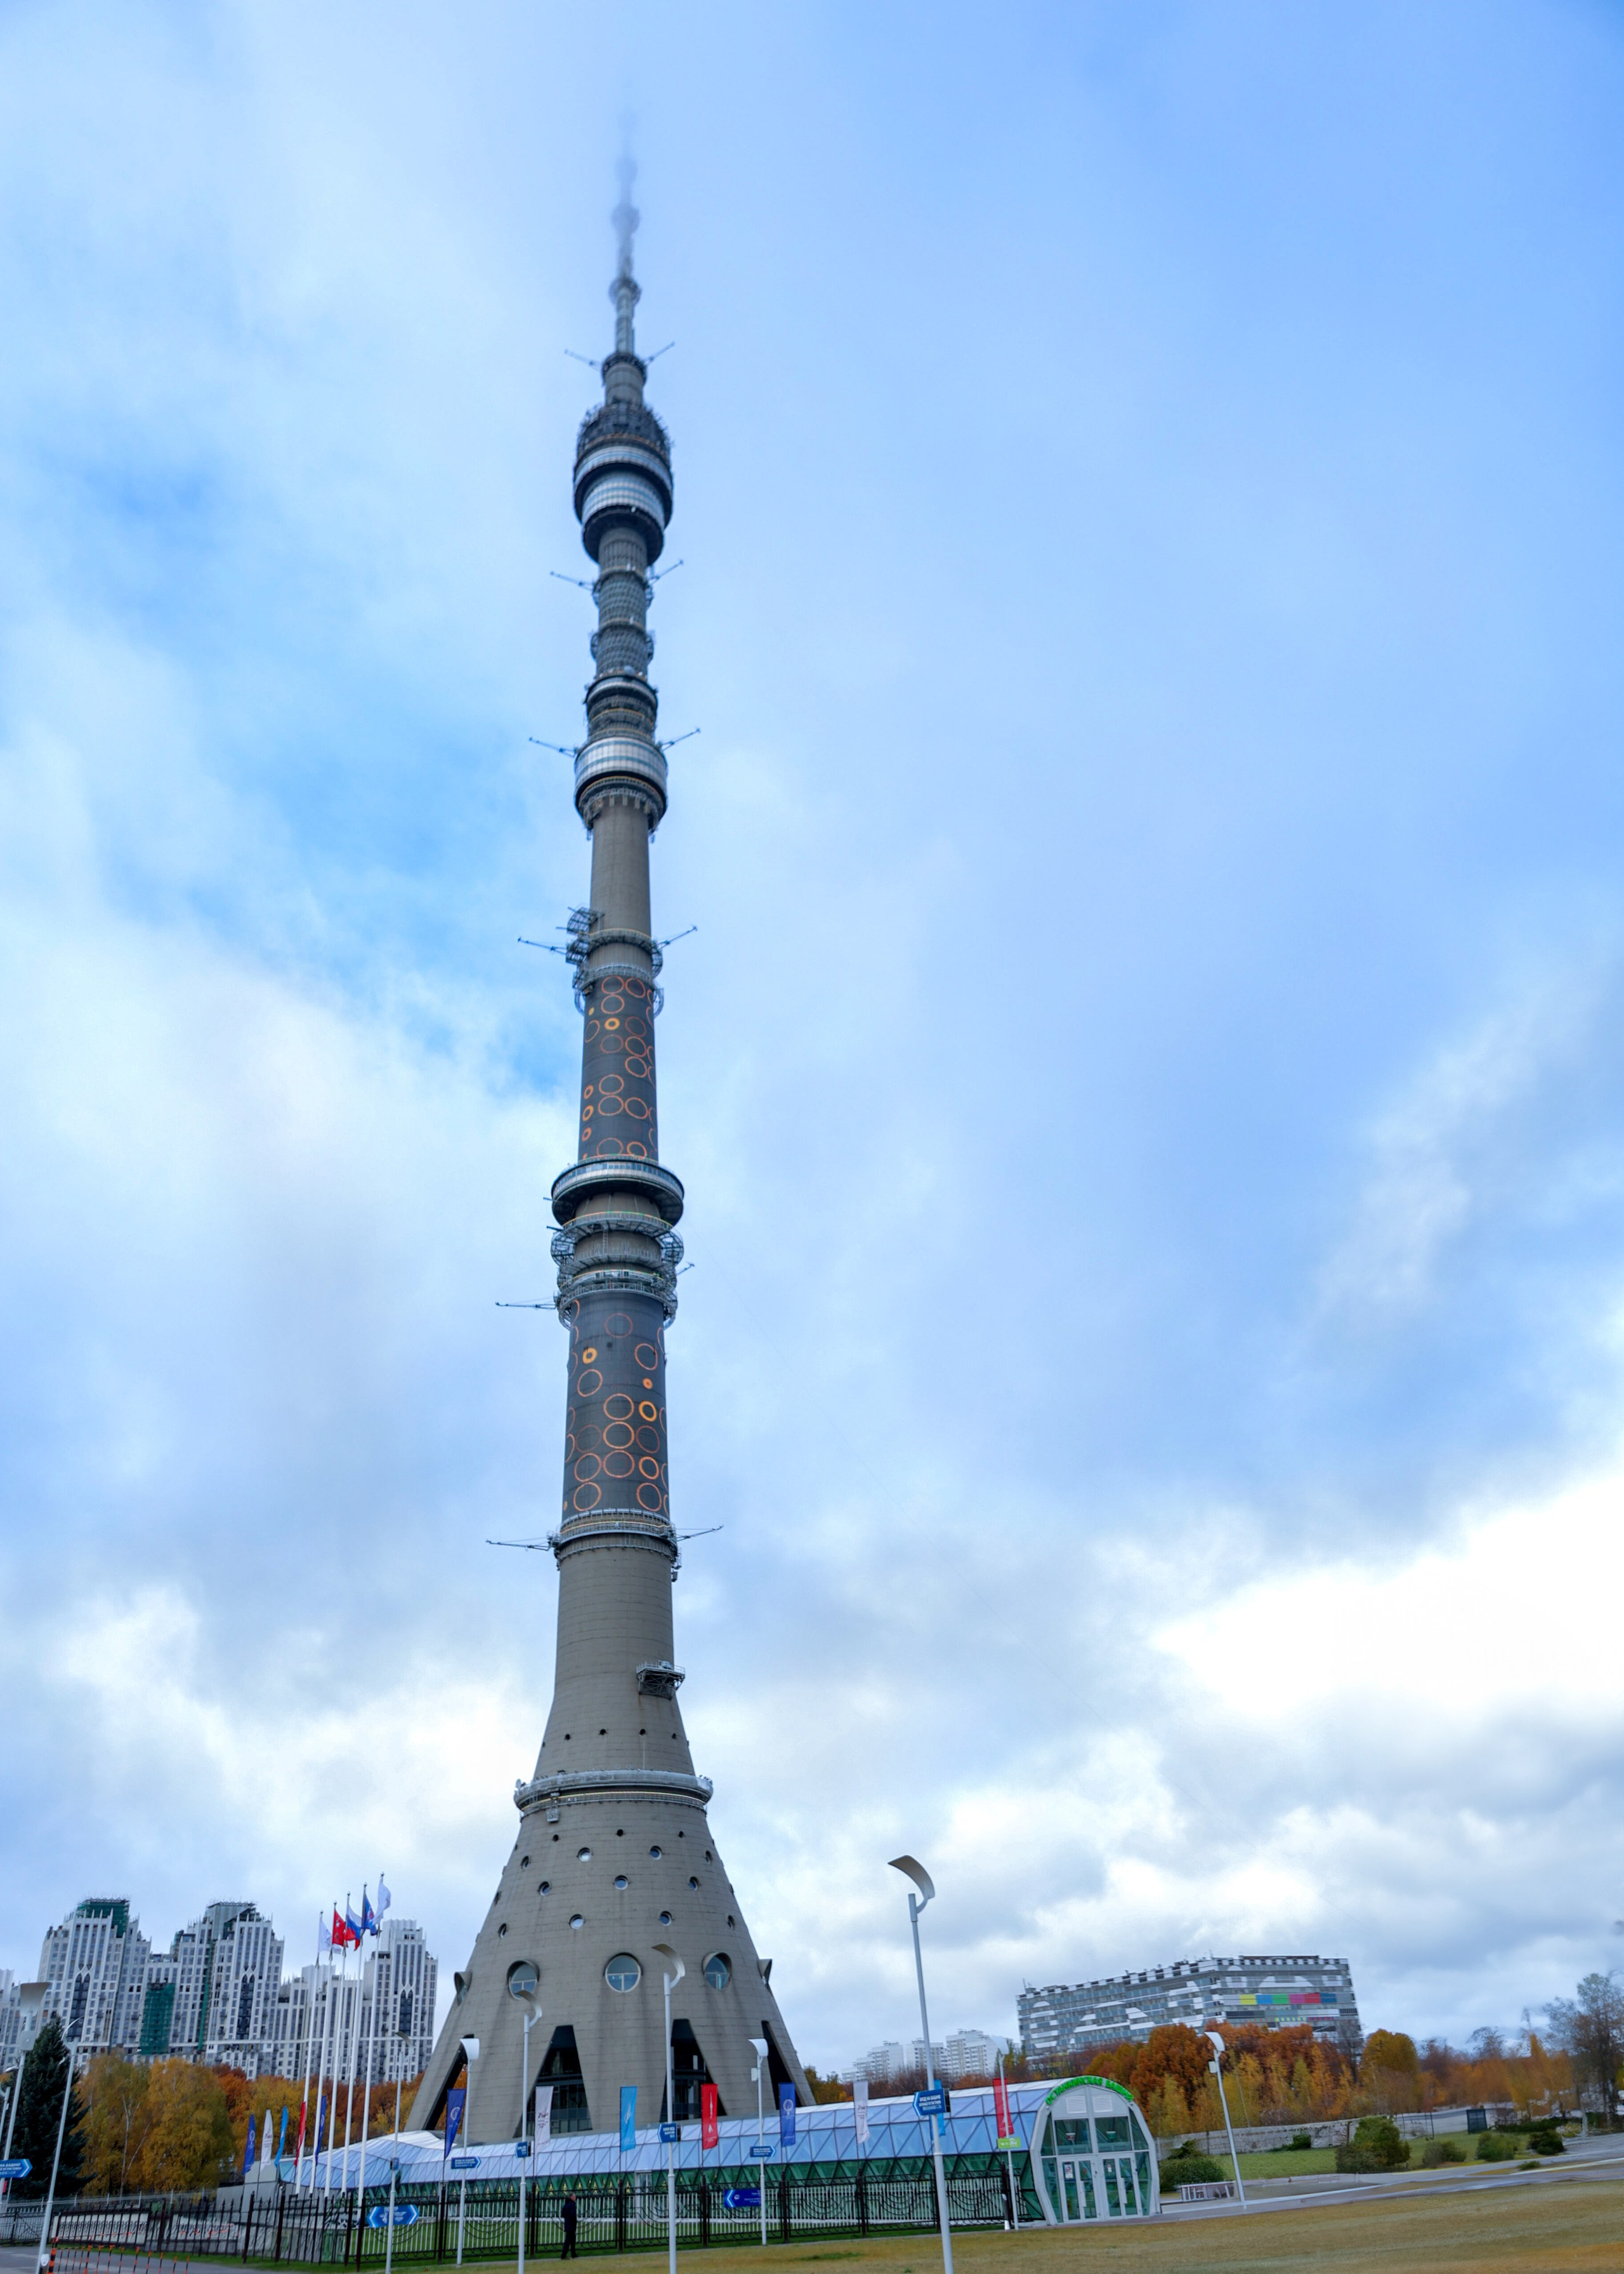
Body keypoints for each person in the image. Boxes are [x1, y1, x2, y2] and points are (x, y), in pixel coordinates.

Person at [560, 2190, 579, 2260]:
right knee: (569, 2240)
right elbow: (573, 2215)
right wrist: (574, 2221)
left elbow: (563, 2214)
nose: (575, 2198)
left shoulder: (566, 2205)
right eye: (574, 2197)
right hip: (572, 2225)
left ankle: (573, 2253)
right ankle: (564, 2255)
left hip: (567, 2224)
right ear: (572, 2197)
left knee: (571, 2239)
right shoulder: (572, 2205)